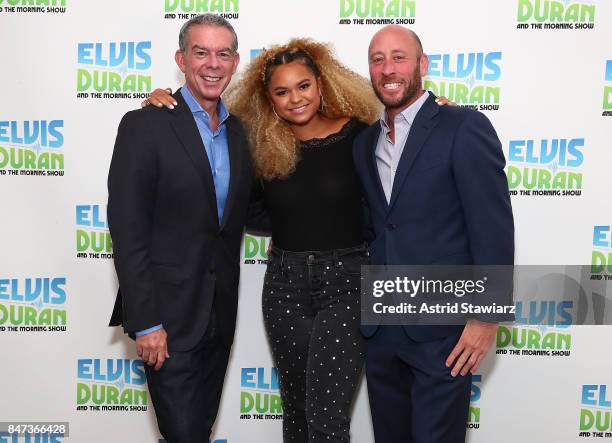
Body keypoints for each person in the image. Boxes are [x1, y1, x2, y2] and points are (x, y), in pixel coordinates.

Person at [147, 38, 381, 442]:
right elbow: (245, 203)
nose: (295, 99)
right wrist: (163, 102)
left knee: (327, 420)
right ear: (269, 99)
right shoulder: (261, 144)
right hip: (285, 286)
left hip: (347, 282)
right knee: (297, 411)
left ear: (321, 84)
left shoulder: (361, 136)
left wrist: (438, 109)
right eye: (282, 91)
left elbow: (397, 172)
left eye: (303, 85)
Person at [352, 25, 514, 442]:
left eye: (399, 57)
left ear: (422, 65)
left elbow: (492, 226)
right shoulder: (365, 141)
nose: (388, 68)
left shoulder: (462, 126)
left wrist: (486, 315)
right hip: (381, 328)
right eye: (377, 59)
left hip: (443, 330)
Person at [107, 14, 261, 442]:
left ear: (234, 63)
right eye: (201, 52)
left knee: (199, 431)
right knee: (183, 434)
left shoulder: (241, 134)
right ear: (181, 59)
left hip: (218, 316)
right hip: (167, 321)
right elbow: (128, 231)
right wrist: (148, 321)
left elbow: (253, 210)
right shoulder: (145, 125)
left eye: (223, 53)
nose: (213, 63)